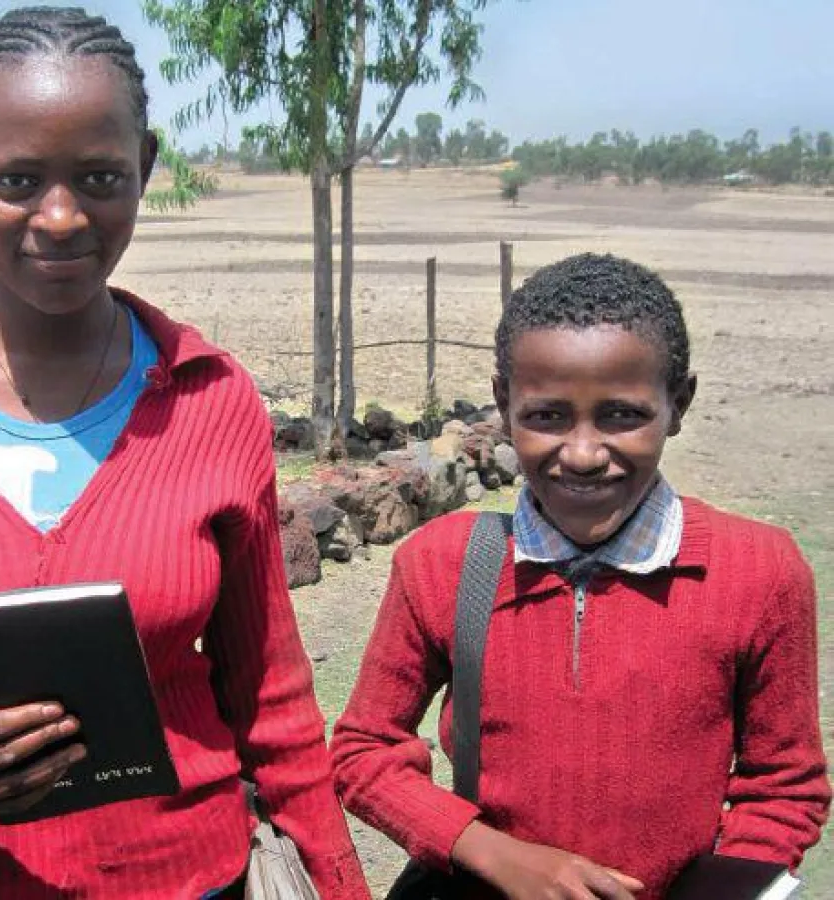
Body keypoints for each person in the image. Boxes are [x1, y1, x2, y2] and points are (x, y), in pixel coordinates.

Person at [0, 7, 369, 899]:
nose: (59, 218)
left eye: (98, 177)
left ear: (146, 170)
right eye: (17, 179)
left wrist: (336, 878)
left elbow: (270, 688)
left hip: (189, 877)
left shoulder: (209, 399)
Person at [330, 253, 830, 899]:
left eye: (623, 414)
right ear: (504, 404)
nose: (585, 453)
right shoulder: (443, 563)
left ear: (677, 404)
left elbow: (782, 786)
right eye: (546, 416)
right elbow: (363, 751)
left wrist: (726, 884)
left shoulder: (759, 571)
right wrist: (494, 853)